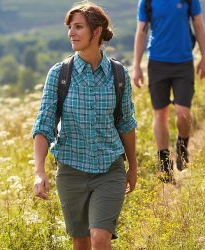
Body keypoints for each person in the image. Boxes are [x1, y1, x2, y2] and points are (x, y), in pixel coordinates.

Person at [32, 2, 138, 249]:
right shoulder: (59, 74)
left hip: (109, 169)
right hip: (71, 171)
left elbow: (126, 123)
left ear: (97, 31)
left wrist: (132, 166)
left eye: (79, 27)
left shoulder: (119, 75)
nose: (71, 33)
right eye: (70, 27)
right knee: (80, 243)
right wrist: (39, 170)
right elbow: (44, 123)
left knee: (100, 238)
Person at [132, 0, 205, 182]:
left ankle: (182, 147)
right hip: (157, 63)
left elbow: (198, 25)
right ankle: (164, 163)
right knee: (160, 114)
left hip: (184, 63)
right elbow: (141, 33)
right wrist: (136, 66)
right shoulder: (147, 2)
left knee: (183, 113)